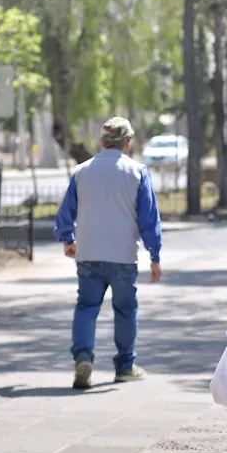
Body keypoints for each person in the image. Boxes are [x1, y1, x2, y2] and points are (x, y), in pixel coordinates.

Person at [55, 117, 163, 390]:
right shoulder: (137, 172)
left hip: (88, 253)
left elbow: (66, 212)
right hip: (123, 255)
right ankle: (125, 366)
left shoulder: (82, 171)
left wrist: (68, 239)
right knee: (126, 310)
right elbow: (149, 219)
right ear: (128, 144)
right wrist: (155, 255)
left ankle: (83, 358)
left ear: (102, 142)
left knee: (87, 307)